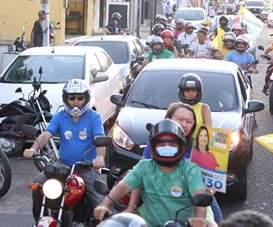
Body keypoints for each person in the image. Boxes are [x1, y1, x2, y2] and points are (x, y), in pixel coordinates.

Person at [93, 119, 209, 227]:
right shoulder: (144, 167)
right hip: (145, 224)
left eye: (172, 145)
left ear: (181, 147)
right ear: (153, 147)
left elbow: (198, 195)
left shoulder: (190, 170)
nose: (167, 148)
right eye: (162, 145)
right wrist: (105, 204)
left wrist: (199, 219)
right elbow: (123, 186)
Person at [23, 79, 107, 220]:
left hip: (87, 167)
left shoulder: (94, 117)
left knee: (99, 203)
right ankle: (41, 220)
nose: (76, 101)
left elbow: (100, 141)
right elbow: (46, 134)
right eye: (72, 97)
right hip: (62, 165)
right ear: (66, 99)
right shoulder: (60, 115)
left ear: (86, 98)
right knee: (37, 186)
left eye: (80, 97)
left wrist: (100, 158)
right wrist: (33, 148)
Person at [127, 102, 223, 223]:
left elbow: (213, 182)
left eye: (189, 121)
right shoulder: (155, 142)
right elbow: (138, 176)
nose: (184, 124)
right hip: (158, 196)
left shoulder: (201, 146)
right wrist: (131, 207)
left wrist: (208, 191)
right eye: (180, 119)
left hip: (194, 198)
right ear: (168, 119)